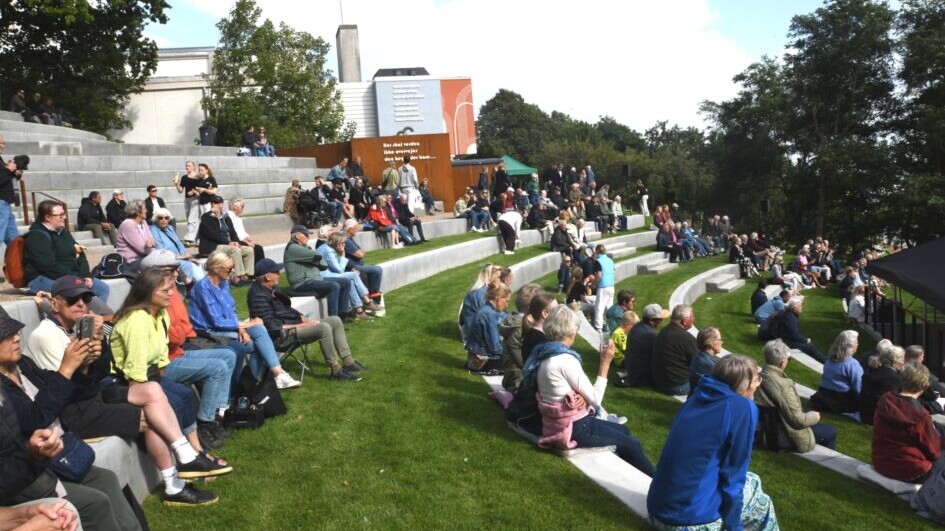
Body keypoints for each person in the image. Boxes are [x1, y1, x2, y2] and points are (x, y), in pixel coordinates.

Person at [24, 275, 225, 503]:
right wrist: (86, 363)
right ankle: (175, 485)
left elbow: (100, 372)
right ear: (55, 303)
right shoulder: (46, 335)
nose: (81, 304)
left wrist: (99, 343)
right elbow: (65, 390)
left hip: (93, 395)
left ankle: (186, 455)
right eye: (72, 300)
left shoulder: (77, 329)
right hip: (73, 411)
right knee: (153, 417)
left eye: (85, 299)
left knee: (152, 390)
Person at [648, 355, 777, 530]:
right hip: (687, 522)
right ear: (744, 385)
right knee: (763, 502)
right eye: (756, 380)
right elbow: (734, 475)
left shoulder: (698, 394)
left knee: (753, 479)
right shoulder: (743, 407)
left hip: (657, 510)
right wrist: (734, 527)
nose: (758, 384)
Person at [523, 306, 655, 473]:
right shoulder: (564, 360)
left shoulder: (543, 351)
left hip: (558, 423)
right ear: (572, 332)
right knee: (633, 445)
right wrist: (605, 364)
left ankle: (627, 470)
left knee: (623, 430)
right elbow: (596, 400)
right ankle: (655, 480)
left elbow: (562, 388)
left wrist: (582, 397)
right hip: (575, 427)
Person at [189, 251, 302, 389]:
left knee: (258, 330)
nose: (233, 272)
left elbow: (231, 311)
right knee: (256, 342)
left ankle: (273, 376)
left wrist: (242, 329)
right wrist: (247, 323)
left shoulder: (223, 284)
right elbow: (216, 321)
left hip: (227, 327)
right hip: (208, 332)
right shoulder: (203, 288)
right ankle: (261, 381)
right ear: (216, 269)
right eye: (229, 269)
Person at [248, 259, 365, 381]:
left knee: (335, 320)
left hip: (293, 327)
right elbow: (272, 326)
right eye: (276, 272)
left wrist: (300, 316)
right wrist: (303, 325)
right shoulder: (257, 296)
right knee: (323, 328)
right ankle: (335, 371)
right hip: (282, 337)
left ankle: (348, 362)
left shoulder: (271, 288)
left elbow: (285, 309)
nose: (279, 274)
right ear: (268, 276)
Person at [23, 200, 110, 311]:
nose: (64, 218)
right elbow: (48, 266)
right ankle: (82, 319)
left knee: (103, 289)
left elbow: (80, 253)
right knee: (79, 293)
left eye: (64, 214)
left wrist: (86, 275)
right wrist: (76, 279)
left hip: (70, 275)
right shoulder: (37, 236)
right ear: (47, 217)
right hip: (43, 278)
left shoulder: (63, 232)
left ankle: (91, 318)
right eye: (60, 215)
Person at [754, 339, 837, 452]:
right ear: (782, 362)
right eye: (789, 359)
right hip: (779, 435)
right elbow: (798, 421)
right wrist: (815, 416)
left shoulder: (757, 377)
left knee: (810, 415)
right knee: (830, 431)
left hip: (765, 430)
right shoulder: (783, 386)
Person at [872, 362, 941, 483]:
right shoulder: (920, 416)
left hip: (880, 462)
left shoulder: (885, 401)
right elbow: (934, 451)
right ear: (925, 387)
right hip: (910, 471)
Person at [283, 225, 352, 318]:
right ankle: (334, 318)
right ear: (297, 235)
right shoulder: (293, 248)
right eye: (306, 235)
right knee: (333, 286)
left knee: (345, 282)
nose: (308, 237)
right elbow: (319, 259)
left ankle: (344, 314)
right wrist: (317, 260)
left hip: (315, 279)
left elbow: (322, 263)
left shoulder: (304, 247)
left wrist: (317, 260)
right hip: (302, 283)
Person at [315, 230, 381, 320]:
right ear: (337, 242)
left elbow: (337, 267)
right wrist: (342, 255)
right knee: (353, 275)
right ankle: (367, 301)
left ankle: (359, 311)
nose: (344, 245)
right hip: (324, 276)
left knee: (350, 281)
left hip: (328, 273)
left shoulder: (328, 248)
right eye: (342, 243)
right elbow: (340, 270)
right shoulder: (329, 251)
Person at [198, 196, 254, 286]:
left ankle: (246, 276)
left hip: (227, 244)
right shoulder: (206, 217)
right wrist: (229, 242)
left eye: (221, 203)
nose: (220, 205)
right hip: (213, 245)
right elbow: (212, 235)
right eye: (217, 203)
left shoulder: (225, 217)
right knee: (235, 250)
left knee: (249, 250)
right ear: (212, 204)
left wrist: (237, 242)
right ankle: (237, 278)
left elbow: (233, 233)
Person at [499, 284, 544, 391]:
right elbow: (513, 346)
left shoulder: (517, 321)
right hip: (517, 378)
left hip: (514, 375)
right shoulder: (520, 326)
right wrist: (529, 368)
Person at [811, 330, 863, 415]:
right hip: (840, 401)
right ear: (850, 346)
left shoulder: (829, 360)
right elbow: (859, 388)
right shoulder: (852, 364)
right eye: (856, 343)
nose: (858, 344)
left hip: (823, 396)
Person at [651, 304, 698, 395]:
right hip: (677, 386)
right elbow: (697, 363)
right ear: (684, 321)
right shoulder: (686, 338)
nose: (694, 319)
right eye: (692, 317)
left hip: (659, 382)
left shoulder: (663, 331)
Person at [617, 303, 668, 388]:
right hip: (641, 377)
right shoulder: (651, 335)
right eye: (660, 319)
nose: (661, 320)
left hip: (631, 370)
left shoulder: (636, 326)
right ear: (651, 320)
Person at [150, 208, 204, 284]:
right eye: (160, 218)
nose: (163, 220)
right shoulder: (154, 230)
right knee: (188, 265)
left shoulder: (170, 228)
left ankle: (201, 286)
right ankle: (201, 286)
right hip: (168, 259)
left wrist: (187, 256)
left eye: (166, 218)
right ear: (156, 219)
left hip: (180, 257)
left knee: (196, 264)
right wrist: (181, 257)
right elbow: (161, 250)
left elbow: (179, 244)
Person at [465, 282, 511, 372]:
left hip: (479, 357)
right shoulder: (489, 315)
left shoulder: (486, 310)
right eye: (506, 301)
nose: (507, 305)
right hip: (483, 361)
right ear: (498, 298)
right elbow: (495, 348)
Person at [859, 344, 904, 425]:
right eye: (902, 360)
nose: (903, 362)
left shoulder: (869, 372)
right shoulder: (894, 379)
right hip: (881, 419)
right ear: (894, 362)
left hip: (864, 415)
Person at [341, 219, 383, 300]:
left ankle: (373, 293)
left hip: (357, 264)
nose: (357, 230)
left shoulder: (349, 238)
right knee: (376, 270)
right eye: (355, 228)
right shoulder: (345, 239)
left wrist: (360, 252)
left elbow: (361, 251)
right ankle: (374, 295)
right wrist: (360, 252)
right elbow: (360, 254)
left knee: (378, 268)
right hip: (351, 266)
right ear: (350, 229)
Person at [776, 296, 826, 363]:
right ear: (795, 308)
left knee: (809, 345)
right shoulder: (790, 318)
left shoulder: (790, 315)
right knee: (809, 347)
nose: (802, 308)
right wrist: (805, 340)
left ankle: (824, 359)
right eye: (800, 306)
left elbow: (795, 333)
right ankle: (825, 361)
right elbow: (794, 335)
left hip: (788, 340)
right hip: (788, 342)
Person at [115, 200, 155, 268]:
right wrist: (155, 252)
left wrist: (151, 244)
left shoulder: (143, 222)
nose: (146, 211)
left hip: (144, 257)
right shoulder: (128, 224)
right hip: (130, 261)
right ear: (138, 212)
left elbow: (152, 240)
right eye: (144, 209)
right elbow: (142, 249)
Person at [226, 197, 265, 264]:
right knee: (253, 250)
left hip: (240, 240)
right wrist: (247, 242)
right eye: (242, 206)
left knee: (259, 248)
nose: (243, 208)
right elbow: (235, 233)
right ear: (234, 207)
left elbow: (243, 232)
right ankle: (254, 269)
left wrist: (250, 240)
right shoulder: (229, 216)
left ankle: (261, 268)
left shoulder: (238, 218)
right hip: (235, 241)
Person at [173, 161, 203, 245]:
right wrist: (176, 184)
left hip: (196, 199)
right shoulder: (184, 177)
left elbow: (201, 189)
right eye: (186, 166)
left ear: (193, 167)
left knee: (191, 219)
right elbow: (180, 190)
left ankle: (188, 239)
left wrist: (194, 191)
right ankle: (197, 239)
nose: (187, 167)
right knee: (190, 219)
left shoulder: (198, 177)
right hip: (187, 200)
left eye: (189, 166)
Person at [0, 146, 23, 251]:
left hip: (5, 204)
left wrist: (15, 173)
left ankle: (15, 261)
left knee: (14, 240)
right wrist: (8, 170)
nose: (2, 146)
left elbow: (4, 179)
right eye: (0, 143)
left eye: (3, 143)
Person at [689, 327, 723, 392]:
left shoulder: (698, 355)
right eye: (720, 339)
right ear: (711, 343)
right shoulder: (712, 366)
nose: (722, 342)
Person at [592, 245, 615, 334]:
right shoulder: (610, 260)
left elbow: (599, 275)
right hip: (611, 286)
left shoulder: (598, 261)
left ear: (597, 251)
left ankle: (598, 327)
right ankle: (610, 326)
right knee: (609, 307)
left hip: (603, 287)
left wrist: (594, 284)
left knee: (599, 307)